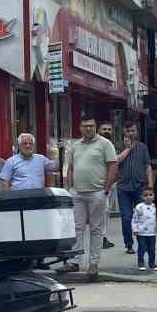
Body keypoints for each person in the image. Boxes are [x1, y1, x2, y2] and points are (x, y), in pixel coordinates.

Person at [62, 118, 117, 281]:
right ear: (80, 128)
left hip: (97, 193)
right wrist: (70, 188)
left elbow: (113, 165)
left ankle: (94, 263)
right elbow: (70, 167)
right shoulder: (75, 146)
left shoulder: (105, 144)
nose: (88, 129)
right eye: (85, 126)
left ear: (96, 127)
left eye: (91, 126)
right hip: (77, 193)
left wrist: (105, 189)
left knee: (96, 229)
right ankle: (74, 261)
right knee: (77, 228)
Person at [113, 122, 154, 255]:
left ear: (137, 132)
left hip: (139, 186)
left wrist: (150, 184)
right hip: (123, 187)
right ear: (124, 133)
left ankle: (143, 243)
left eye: (133, 131)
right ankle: (129, 244)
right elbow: (116, 161)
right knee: (126, 217)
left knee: (142, 216)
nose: (131, 133)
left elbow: (147, 166)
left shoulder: (143, 147)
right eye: (128, 131)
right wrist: (128, 148)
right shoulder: (118, 146)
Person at [132, 186, 157, 272]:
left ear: (154, 196)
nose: (148, 197)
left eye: (150, 195)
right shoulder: (139, 207)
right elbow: (134, 219)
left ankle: (152, 263)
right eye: (145, 195)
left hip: (152, 233)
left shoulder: (155, 207)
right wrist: (135, 229)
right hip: (141, 233)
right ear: (142, 197)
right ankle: (141, 263)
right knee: (142, 248)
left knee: (152, 249)